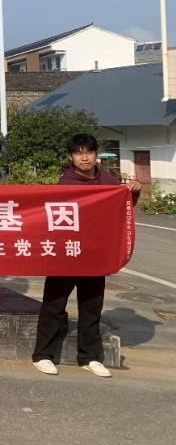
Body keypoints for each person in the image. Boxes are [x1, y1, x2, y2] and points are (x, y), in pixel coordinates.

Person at [32, 133, 141, 378]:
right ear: (71, 157)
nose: (84, 158)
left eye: (89, 152)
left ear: (95, 154)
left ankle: (89, 357)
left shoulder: (107, 180)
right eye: (79, 153)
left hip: (93, 255)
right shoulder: (65, 184)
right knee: (54, 304)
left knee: (92, 306)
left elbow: (119, 209)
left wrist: (132, 193)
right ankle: (42, 355)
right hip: (65, 256)